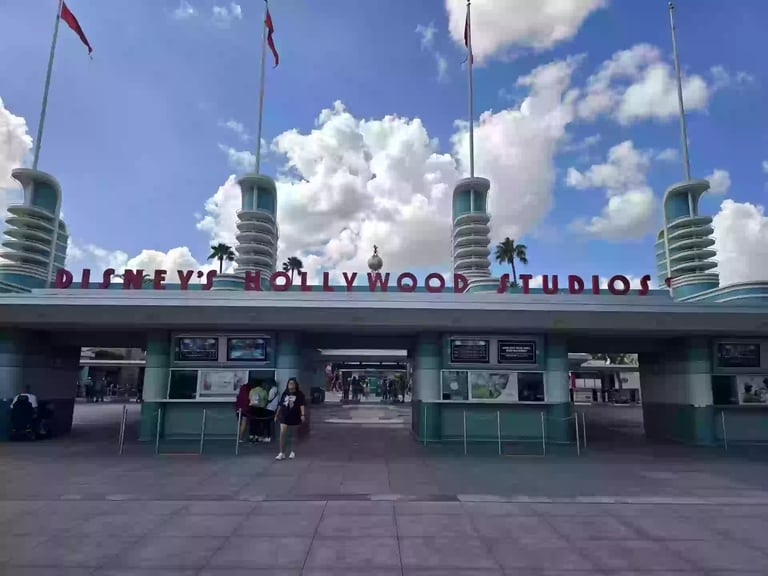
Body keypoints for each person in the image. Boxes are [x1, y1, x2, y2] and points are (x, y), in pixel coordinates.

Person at [274, 377, 306, 460]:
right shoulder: (285, 393)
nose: (291, 385)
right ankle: (281, 452)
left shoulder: (299, 394)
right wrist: (277, 414)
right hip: (285, 415)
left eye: (292, 383)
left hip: (295, 415)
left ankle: (293, 451)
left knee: (294, 434)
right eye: (289, 383)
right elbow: (281, 405)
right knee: (282, 433)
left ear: (295, 385)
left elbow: (301, 405)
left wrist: (302, 415)